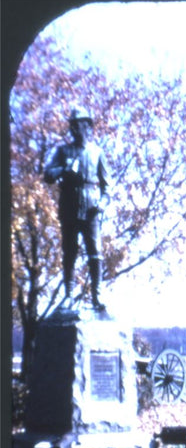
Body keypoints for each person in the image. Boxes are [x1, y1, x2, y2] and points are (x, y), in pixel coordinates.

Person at [44, 107, 111, 311]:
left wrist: (102, 203)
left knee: (95, 252)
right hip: (69, 207)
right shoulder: (63, 151)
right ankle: (68, 295)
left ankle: (97, 296)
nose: (74, 129)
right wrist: (64, 168)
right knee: (69, 252)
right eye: (72, 125)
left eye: (79, 125)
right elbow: (48, 175)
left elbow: (107, 187)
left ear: (87, 127)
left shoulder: (98, 153)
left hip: (91, 209)